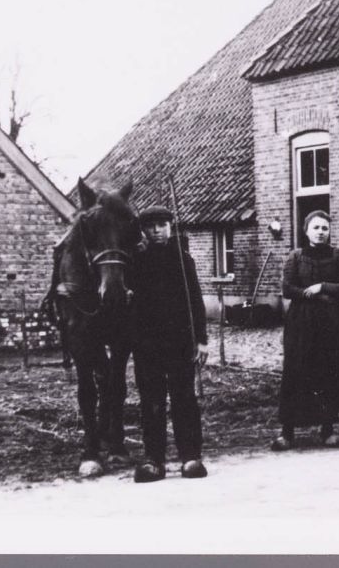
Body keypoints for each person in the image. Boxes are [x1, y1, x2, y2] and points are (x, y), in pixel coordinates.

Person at [271, 211, 339, 451]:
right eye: (316, 227)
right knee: (296, 370)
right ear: (306, 230)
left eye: (325, 228)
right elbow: (287, 288)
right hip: (301, 321)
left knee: (329, 371)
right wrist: (309, 294)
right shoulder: (295, 256)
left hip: (333, 322)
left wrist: (322, 287)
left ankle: (328, 430)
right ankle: (288, 432)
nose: (321, 232)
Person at [129, 205, 209, 483]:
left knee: (184, 399)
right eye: (151, 226)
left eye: (162, 225)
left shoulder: (183, 260)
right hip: (147, 344)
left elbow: (196, 303)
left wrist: (201, 340)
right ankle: (154, 460)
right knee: (151, 402)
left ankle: (190, 456)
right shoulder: (136, 262)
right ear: (144, 230)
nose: (156, 231)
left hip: (180, 342)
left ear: (170, 226)